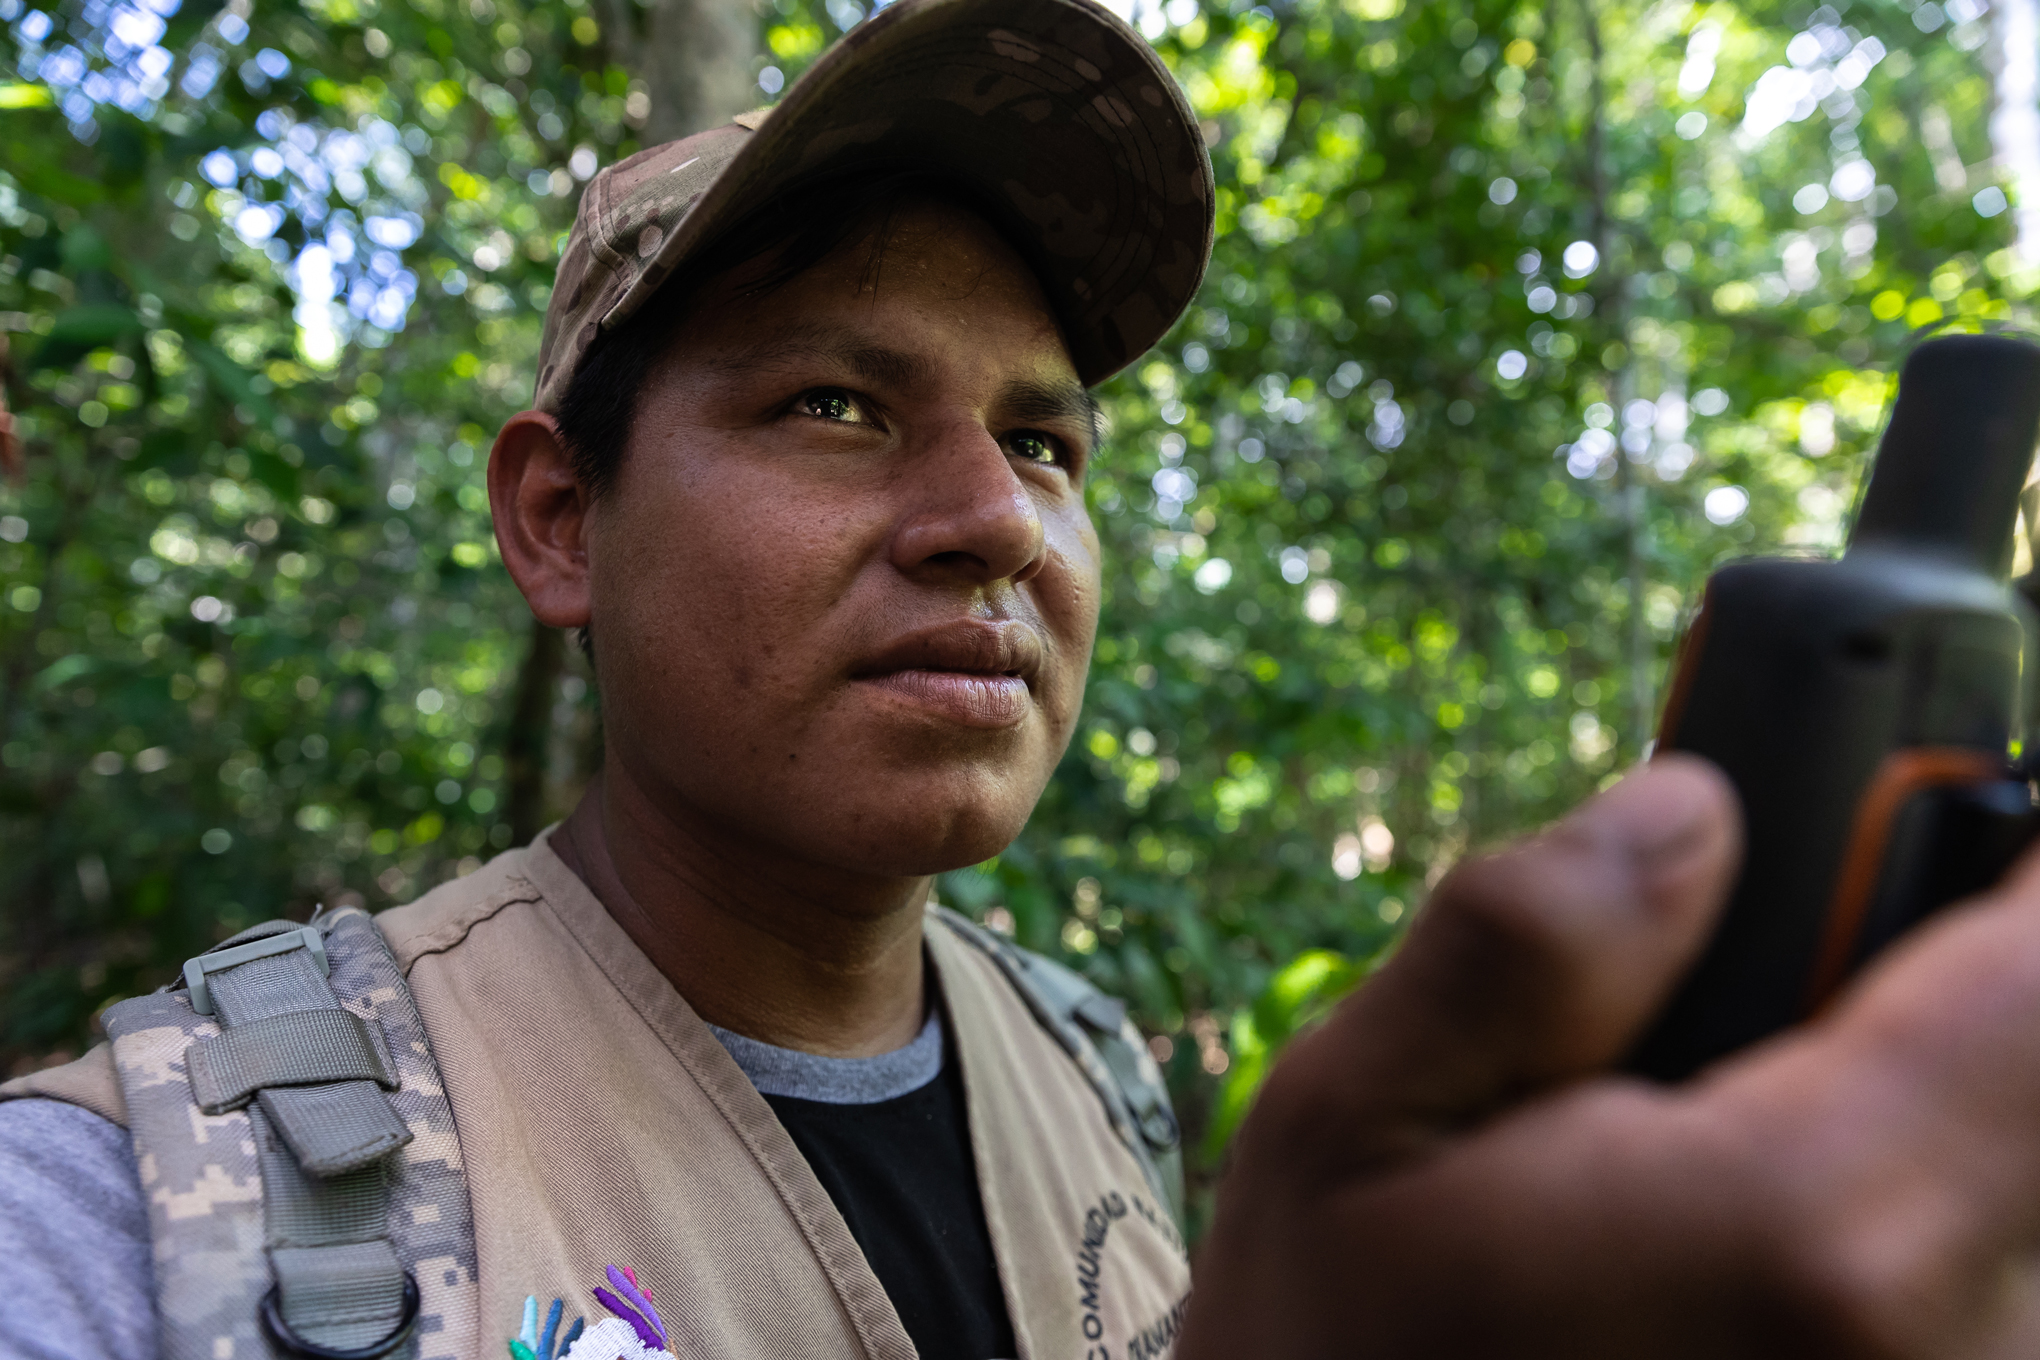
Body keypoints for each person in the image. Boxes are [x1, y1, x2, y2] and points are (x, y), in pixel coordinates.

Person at [10, 4, 2040, 1360]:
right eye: (830, 399)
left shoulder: (1087, 1071)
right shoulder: (164, 1199)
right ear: (558, 520)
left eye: (1049, 443)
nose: (994, 517)